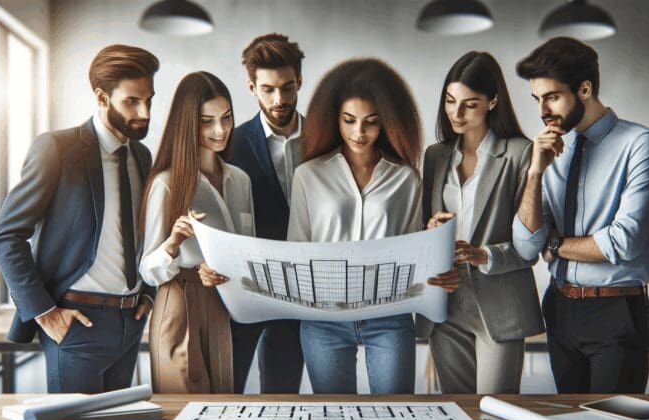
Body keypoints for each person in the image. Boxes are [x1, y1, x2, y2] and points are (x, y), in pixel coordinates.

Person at [0, 44, 159, 393]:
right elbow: (7, 236)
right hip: (76, 323)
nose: (144, 111)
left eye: (149, 100)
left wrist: (149, 294)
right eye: (132, 101)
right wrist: (45, 313)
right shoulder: (57, 149)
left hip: (131, 322)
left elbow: (147, 233)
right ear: (102, 97)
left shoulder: (142, 155)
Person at [287, 58, 460, 394]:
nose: (359, 133)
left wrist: (437, 257)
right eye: (349, 121)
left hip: (389, 315)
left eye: (371, 122)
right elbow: (297, 247)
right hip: (324, 317)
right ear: (334, 118)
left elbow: (412, 250)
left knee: (396, 418)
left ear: (387, 122)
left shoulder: (405, 178)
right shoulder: (308, 175)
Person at [512, 37, 649, 393]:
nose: (542, 110)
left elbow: (621, 243)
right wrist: (535, 173)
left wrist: (554, 242)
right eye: (537, 99)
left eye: (552, 96)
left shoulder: (642, 146)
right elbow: (525, 246)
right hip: (558, 307)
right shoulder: (551, 151)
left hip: (615, 311)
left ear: (584, 89)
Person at [416, 52, 545, 394]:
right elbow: (419, 230)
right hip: (445, 304)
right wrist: (430, 231)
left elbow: (529, 249)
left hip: (499, 307)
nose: (456, 113)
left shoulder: (520, 153)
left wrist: (482, 255)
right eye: (450, 101)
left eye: (469, 104)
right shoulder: (435, 156)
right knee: (457, 413)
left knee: (495, 413)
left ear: (493, 102)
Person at [139, 72, 254, 393]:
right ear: (187, 123)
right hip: (179, 304)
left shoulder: (240, 181)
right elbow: (148, 270)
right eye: (207, 121)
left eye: (226, 118)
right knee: (184, 411)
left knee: (220, 411)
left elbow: (249, 250)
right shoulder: (166, 183)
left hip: (223, 307)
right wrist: (174, 242)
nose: (220, 130)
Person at [227, 33, 305, 394]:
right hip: (244, 287)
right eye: (268, 89)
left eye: (287, 88)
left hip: (303, 290)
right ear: (251, 86)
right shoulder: (231, 143)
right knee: (226, 397)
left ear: (300, 81)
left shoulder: (327, 137)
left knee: (282, 394)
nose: (280, 99)